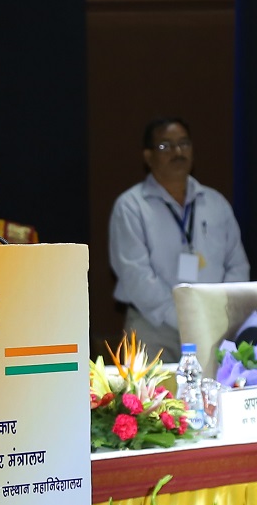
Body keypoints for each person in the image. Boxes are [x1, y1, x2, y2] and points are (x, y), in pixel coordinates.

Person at [107, 117, 249, 360]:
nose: (177, 152)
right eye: (166, 146)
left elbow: (237, 265)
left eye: (184, 144)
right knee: (151, 387)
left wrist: (219, 312)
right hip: (154, 329)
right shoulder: (131, 206)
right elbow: (136, 275)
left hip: (212, 326)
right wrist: (185, 317)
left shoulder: (215, 203)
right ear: (148, 156)